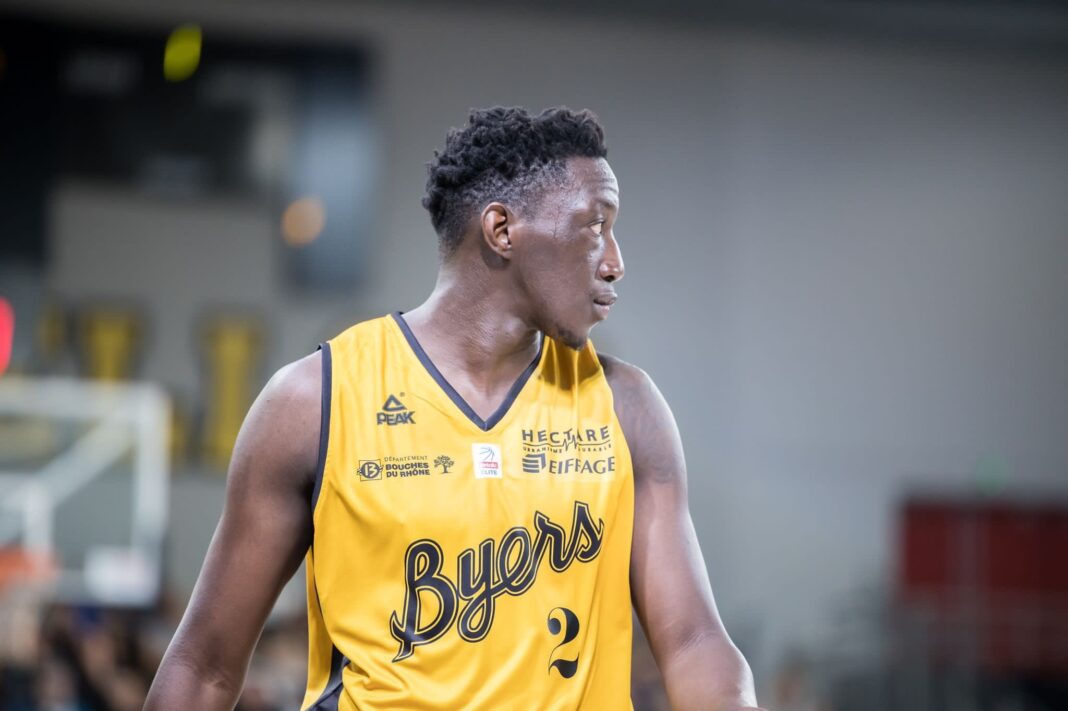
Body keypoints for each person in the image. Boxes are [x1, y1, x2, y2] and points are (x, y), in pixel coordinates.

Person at [146, 106, 763, 711]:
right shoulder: (315, 401)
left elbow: (693, 642)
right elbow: (204, 665)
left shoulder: (627, 409)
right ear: (502, 230)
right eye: (595, 226)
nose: (615, 262)